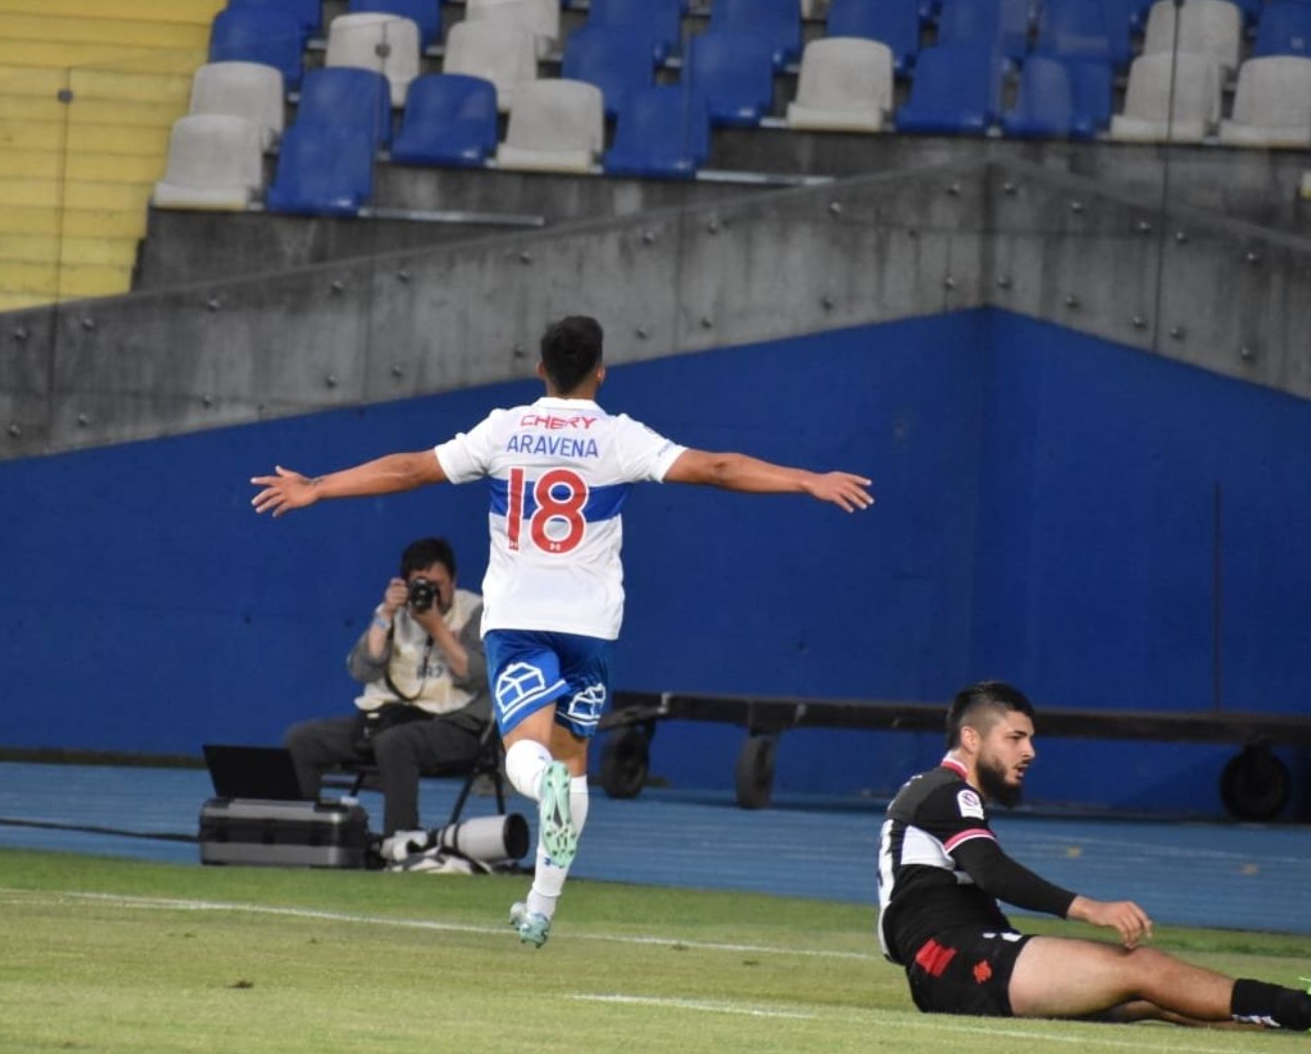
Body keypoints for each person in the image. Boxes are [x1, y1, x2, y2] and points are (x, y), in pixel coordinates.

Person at [253, 314, 873, 947]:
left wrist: (318, 487)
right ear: (601, 371)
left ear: (539, 370)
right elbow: (716, 467)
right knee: (573, 763)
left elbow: (410, 469)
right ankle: (540, 908)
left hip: (521, 622)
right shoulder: (617, 437)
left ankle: (535, 793)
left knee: (528, 752)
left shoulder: (504, 428)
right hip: (589, 629)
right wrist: (806, 480)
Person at [876, 680, 1311, 1037]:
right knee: (1139, 968)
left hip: (951, 966)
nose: (1029, 751)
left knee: (1157, 997)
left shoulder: (939, 797)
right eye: (1015, 737)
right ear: (970, 738)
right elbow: (992, 871)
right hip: (957, 965)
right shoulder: (946, 790)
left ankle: (1302, 1018)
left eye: (1031, 738)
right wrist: (1090, 908)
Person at [282, 537, 489, 842]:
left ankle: (399, 843)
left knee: (395, 744)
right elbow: (361, 669)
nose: (430, 593)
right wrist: (385, 616)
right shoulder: (394, 613)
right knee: (301, 739)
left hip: (456, 725)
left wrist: (437, 628)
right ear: (405, 584)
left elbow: (477, 676)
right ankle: (303, 838)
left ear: (454, 581)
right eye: (421, 584)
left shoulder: (476, 611)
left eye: (438, 584)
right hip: (390, 719)